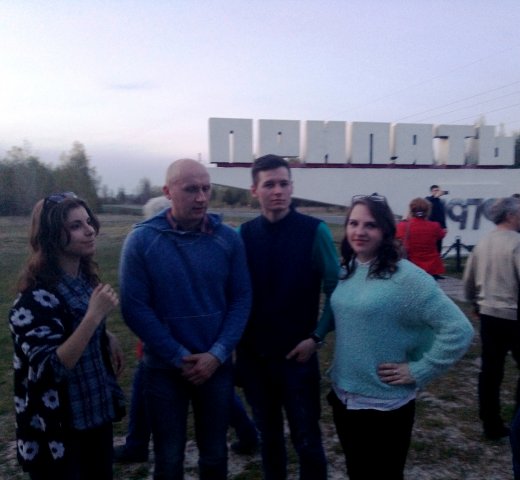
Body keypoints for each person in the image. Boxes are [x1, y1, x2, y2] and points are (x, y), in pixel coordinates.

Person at [119, 158, 251, 480]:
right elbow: (134, 308)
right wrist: (178, 356)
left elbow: (241, 298)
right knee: (168, 457)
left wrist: (217, 354)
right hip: (163, 369)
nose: (202, 198)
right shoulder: (142, 240)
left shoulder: (228, 239)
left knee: (215, 454)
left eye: (206, 189)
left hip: (215, 367)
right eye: (191, 189)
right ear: (168, 192)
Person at [327, 193, 473, 480]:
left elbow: (459, 329)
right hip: (344, 398)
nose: (359, 231)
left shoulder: (407, 277)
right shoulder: (349, 269)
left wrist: (420, 369)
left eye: (370, 225)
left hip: (384, 406)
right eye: (353, 223)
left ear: (385, 230)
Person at [236, 154, 339, 480]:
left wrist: (317, 337)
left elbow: (337, 290)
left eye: (283, 183)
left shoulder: (315, 231)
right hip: (255, 359)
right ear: (255, 190)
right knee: (269, 440)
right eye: (269, 184)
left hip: (298, 358)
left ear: (292, 187)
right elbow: (233, 294)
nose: (277, 191)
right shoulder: (243, 235)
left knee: (307, 440)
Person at [8, 192, 125, 480]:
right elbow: (49, 369)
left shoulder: (83, 280)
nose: (89, 230)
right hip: (59, 433)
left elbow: (68, 326)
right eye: (75, 226)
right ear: (50, 236)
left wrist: (104, 334)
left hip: (95, 415)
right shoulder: (33, 299)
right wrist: (94, 317)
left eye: (88, 221)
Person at [463, 196, 520, 440]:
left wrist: (475, 302)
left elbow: (468, 280)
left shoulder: (482, 242)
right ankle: (518, 420)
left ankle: (491, 423)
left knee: (490, 370)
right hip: (514, 315)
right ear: (510, 215)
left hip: (488, 313)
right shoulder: (517, 243)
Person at [396, 197, 446, 278]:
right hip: (431, 267)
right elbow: (441, 235)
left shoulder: (402, 226)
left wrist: (404, 219)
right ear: (428, 211)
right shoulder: (435, 226)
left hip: (411, 266)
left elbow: (397, 236)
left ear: (411, 211)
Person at [426, 184, 448, 254]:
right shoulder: (428, 199)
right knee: (432, 246)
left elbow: (442, 215)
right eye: (435, 190)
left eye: (438, 190)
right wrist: (435, 197)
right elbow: (429, 205)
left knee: (439, 247)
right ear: (431, 192)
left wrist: (444, 227)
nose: (437, 192)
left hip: (439, 228)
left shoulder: (440, 202)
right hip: (431, 228)